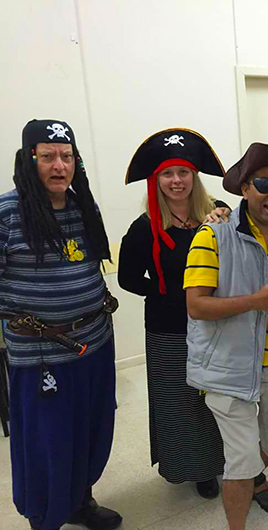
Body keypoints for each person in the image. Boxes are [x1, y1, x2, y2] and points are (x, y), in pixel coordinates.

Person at [185, 142, 268, 530]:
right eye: (263, 184)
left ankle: (252, 477)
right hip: (230, 364)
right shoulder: (213, 237)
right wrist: (254, 302)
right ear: (244, 189)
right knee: (240, 459)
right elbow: (196, 306)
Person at [0, 119, 121, 530]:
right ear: (29, 159)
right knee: (47, 444)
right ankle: (44, 517)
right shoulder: (6, 213)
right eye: (48, 156)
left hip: (95, 343)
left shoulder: (83, 206)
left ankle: (79, 502)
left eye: (66, 156)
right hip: (41, 357)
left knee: (90, 430)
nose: (59, 166)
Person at [118, 128, 229, 498]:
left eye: (183, 172)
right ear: (156, 179)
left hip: (215, 323)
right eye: (167, 174)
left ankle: (218, 462)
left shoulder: (215, 217)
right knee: (179, 402)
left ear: (194, 176)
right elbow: (128, 279)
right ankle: (191, 467)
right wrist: (167, 294)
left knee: (215, 398)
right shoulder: (144, 228)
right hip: (168, 329)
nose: (176, 181)